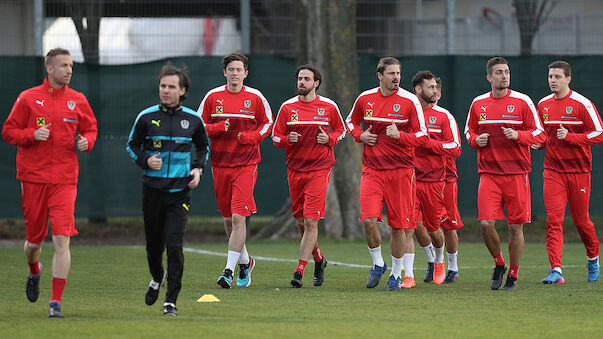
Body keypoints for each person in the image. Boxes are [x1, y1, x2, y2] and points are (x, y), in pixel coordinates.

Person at [1, 48, 98, 318]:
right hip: (33, 179)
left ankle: (55, 302)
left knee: (61, 239)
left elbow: (91, 129)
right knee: (34, 242)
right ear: (50, 69)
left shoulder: (78, 100)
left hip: (65, 180)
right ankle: (34, 270)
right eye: (64, 66)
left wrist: (86, 141)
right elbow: (8, 131)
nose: (69, 70)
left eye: (71, 65)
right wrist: (32, 133)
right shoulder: (28, 98)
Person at [126, 63, 209, 316]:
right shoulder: (146, 117)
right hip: (152, 191)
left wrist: (197, 169)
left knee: (174, 245)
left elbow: (203, 147)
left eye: (171, 86)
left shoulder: (193, 120)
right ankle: (156, 276)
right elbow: (132, 146)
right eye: (163, 86)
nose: (166, 90)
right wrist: (146, 161)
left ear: (182, 90)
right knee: (154, 247)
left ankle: (170, 301)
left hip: (179, 193)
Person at [346, 57, 428, 291]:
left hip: (402, 173)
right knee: (369, 220)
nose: (396, 78)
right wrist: (360, 135)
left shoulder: (410, 100)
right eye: (391, 73)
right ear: (379, 75)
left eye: (398, 73)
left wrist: (399, 136)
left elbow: (423, 137)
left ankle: (395, 274)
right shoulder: (365, 98)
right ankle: (378, 263)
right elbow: (350, 122)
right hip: (372, 171)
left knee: (398, 227)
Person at [464, 57, 545, 291]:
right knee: (486, 224)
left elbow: (540, 134)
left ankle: (513, 274)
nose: (504, 76)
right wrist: (475, 140)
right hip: (489, 174)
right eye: (499, 72)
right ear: (489, 77)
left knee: (515, 227)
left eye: (507, 72)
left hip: (517, 174)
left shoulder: (522, 101)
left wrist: (519, 136)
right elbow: (469, 131)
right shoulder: (479, 103)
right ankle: (499, 263)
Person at [198, 53, 273, 289]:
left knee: (240, 217)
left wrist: (251, 137)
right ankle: (245, 261)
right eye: (230, 69)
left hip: (246, 163)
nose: (234, 73)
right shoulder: (212, 96)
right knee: (228, 219)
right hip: (220, 164)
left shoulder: (255, 97)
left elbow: (268, 123)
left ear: (245, 73)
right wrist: (218, 128)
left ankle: (228, 271)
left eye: (239, 69)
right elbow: (198, 126)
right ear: (225, 73)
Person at [272, 65, 346, 288]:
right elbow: (276, 138)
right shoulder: (287, 108)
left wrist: (329, 139)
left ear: (316, 83)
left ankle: (299, 271)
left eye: (306, 79)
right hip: (295, 169)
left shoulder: (328, 106)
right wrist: (287, 139)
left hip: (319, 169)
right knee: (302, 223)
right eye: (299, 78)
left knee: (312, 221)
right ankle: (319, 259)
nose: (302, 82)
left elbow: (341, 131)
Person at [534, 61, 601, 284]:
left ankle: (592, 257)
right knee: (554, 220)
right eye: (550, 76)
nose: (552, 80)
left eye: (557, 77)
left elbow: (599, 133)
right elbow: (543, 136)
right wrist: (536, 143)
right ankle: (556, 270)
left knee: (582, 221)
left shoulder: (582, 103)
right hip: (552, 171)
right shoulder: (542, 104)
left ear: (568, 79)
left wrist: (571, 137)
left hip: (579, 171)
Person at [411, 72, 462, 285]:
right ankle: (433, 261)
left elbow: (456, 147)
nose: (435, 92)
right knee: (413, 224)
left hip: (443, 179)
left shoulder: (444, 116)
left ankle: (452, 267)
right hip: (413, 178)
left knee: (447, 225)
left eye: (436, 88)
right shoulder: (409, 114)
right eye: (430, 87)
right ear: (418, 90)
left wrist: (427, 143)